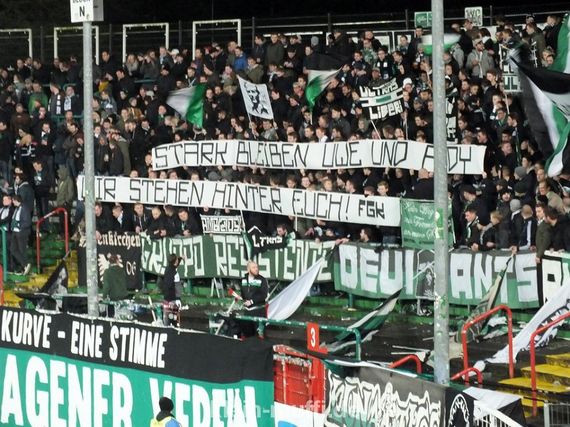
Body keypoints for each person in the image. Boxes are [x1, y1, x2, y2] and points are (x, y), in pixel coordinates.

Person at [232, 261, 268, 337]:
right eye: (253, 267)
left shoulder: (262, 280)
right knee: (248, 335)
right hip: (247, 312)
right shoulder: (243, 280)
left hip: (258, 312)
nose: (256, 269)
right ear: (248, 269)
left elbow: (263, 294)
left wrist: (251, 301)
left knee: (259, 335)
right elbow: (244, 294)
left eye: (257, 267)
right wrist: (240, 298)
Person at [10, 195, 32, 275]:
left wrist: (19, 226)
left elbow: (28, 222)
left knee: (22, 250)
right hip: (15, 232)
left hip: (21, 232)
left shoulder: (24, 208)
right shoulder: (17, 208)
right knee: (13, 249)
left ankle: (25, 267)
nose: (12, 202)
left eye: (13, 200)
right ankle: (25, 265)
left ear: (16, 200)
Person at [160, 254, 183, 326]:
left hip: (166, 298)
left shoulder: (167, 269)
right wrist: (178, 299)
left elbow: (174, 265)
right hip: (173, 299)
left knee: (166, 319)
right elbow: (177, 287)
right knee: (174, 320)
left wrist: (180, 258)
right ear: (175, 262)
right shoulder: (175, 274)